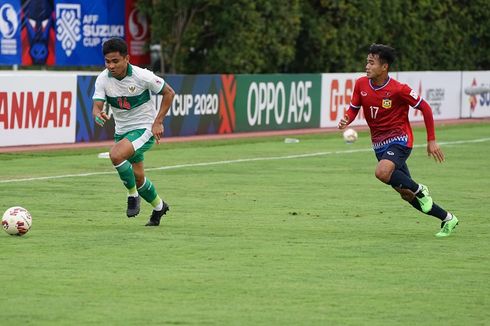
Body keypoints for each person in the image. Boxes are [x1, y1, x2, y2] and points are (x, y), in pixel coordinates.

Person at [338, 43, 459, 237]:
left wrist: (432, 140)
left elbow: (425, 108)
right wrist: (347, 118)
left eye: (371, 63)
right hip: (379, 146)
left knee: (382, 172)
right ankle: (447, 218)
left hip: (400, 140)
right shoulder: (360, 84)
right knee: (407, 195)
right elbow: (354, 108)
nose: (367, 66)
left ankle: (421, 188)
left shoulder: (398, 89)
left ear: (384, 67)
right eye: (366, 62)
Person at [92, 38, 175, 226]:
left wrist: (158, 121)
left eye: (115, 61)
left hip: (144, 129)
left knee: (115, 155)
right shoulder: (103, 79)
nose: (111, 66)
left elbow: (169, 92)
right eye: (107, 61)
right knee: (138, 178)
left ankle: (132, 196)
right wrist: (98, 115)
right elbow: (97, 107)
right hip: (122, 132)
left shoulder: (142, 76)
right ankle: (159, 207)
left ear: (126, 59)